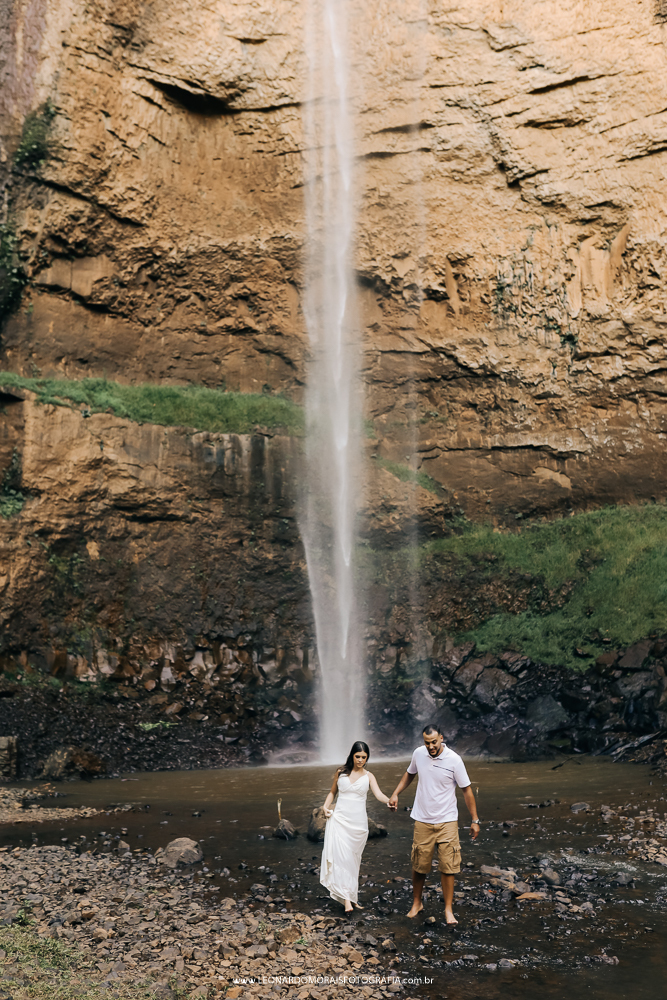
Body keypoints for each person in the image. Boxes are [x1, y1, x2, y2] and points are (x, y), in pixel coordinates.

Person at [388, 723, 480, 924]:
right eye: (427, 742)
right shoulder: (418, 754)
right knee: (419, 864)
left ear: (442, 738)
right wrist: (395, 793)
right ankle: (416, 903)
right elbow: (410, 774)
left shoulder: (454, 760)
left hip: (447, 820)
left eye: (434, 742)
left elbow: (467, 790)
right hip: (422, 819)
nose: (430, 746)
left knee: (448, 867)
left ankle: (448, 910)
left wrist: (475, 820)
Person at [320, 740, 393, 913]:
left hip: (358, 825)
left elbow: (379, 794)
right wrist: (325, 806)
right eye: (358, 756)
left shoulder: (369, 776)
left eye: (364, 757)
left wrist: (390, 800)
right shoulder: (341, 772)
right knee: (343, 860)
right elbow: (332, 792)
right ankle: (347, 900)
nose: (360, 760)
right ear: (352, 755)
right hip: (340, 821)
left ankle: (352, 897)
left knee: (353, 861)